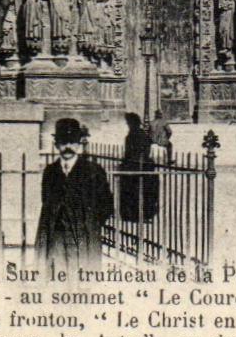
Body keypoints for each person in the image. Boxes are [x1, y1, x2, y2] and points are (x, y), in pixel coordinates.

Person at [35, 118, 113, 273]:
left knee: (83, 280)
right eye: (63, 142)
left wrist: (90, 223)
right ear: (56, 145)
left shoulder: (93, 171)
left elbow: (106, 204)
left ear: (79, 144)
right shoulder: (50, 172)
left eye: (72, 142)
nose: (68, 147)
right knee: (58, 277)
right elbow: (46, 202)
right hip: (57, 236)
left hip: (84, 235)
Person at [117, 113, 158, 224]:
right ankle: (144, 213)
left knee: (133, 190)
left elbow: (128, 153)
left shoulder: (131, 136)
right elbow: (147, 149)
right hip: (144, 165)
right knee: (144, 191)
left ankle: (133, 214)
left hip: (134, 165)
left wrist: (124, 164)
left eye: (129, 123)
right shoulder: (143, 135)